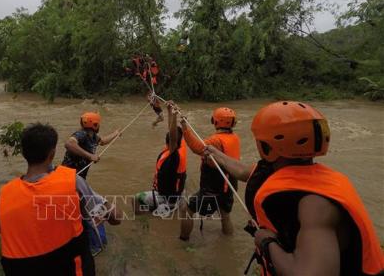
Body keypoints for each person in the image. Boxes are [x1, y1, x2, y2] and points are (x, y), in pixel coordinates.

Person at [204, 101, 384, 276]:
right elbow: (244, 171)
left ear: (266, 145)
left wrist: (266, 241)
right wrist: (216, 154)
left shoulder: (315, 205)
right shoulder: (292, 171)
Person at [0, 123, 121, 276]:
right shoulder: (72, 181)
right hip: (67, 267)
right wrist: (109, 206)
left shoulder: (5, 193)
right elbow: (114, 218)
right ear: (52, 154)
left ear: (23, 153)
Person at [179, 107, 240, 238]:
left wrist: (184, 126)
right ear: (233, 123)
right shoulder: (234, 138)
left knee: (187, 209)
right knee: (225, 215)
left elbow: (196, 147)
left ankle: (183, 241)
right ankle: (228, 243)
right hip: (229, 185)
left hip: (214, 188)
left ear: (215, 121)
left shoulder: (215, 141)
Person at [134, 101, 187, 215]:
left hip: (167, 198)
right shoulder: (181, 147)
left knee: (136, 199)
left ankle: (143, 220)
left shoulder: (174, 155)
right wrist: (169, 111)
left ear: (169, 142)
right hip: (177, 192)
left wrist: (175, 115)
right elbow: (172, 132)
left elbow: (172, 137)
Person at [62, 112, 120, 179]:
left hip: (78, 177)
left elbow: (103, 141)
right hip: (68, 176)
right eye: (98, 123)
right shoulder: (81, 134)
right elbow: (69, 144)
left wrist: (115, 134)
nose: (99, 125)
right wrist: (90, 156)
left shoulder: (93, 136)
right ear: (95, 125)